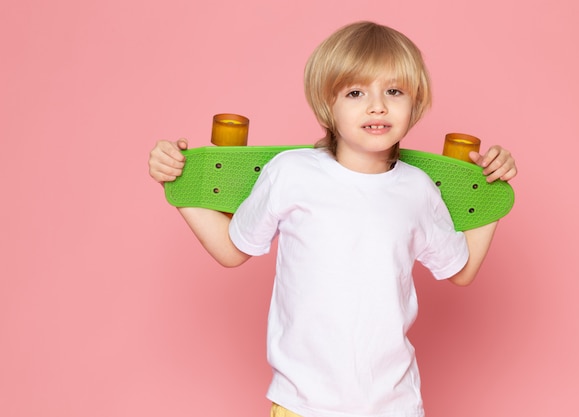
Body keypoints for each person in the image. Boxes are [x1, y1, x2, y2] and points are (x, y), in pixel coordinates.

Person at [148, 21, 517, 417]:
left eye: (394, 91)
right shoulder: (290, 172)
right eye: (356, 92)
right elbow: (231, 249)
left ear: (416, 103)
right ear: (328, 104)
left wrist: (491, 193)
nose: (377, 105)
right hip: (302, 404)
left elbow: (459, 269)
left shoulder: (419, 189)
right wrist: (178, 185)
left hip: (394, 406)